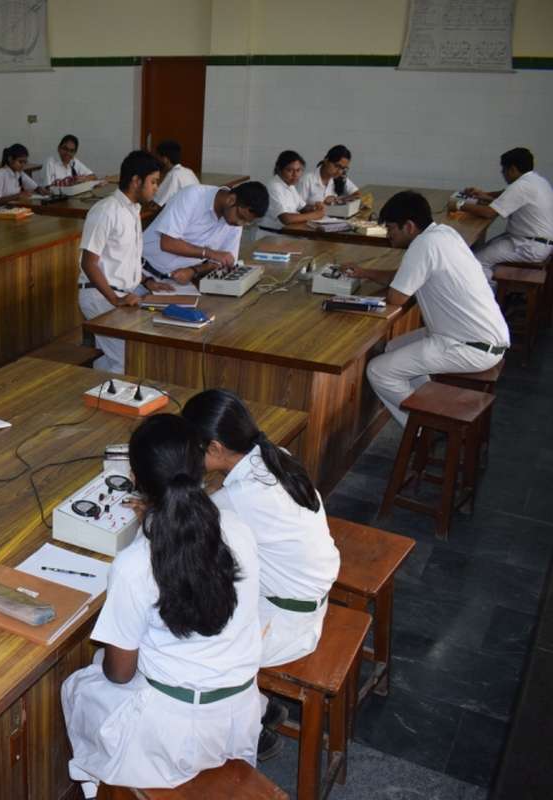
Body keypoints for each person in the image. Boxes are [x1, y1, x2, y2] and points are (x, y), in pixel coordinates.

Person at [61, 414, 261, 796]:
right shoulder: (238, 528)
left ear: (135, 479)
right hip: (240, 715)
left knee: (79, 687)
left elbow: (120, 674)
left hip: (172, 737)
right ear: (201, 465)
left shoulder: (134, 565)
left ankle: (107, 788)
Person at [182, 388, 339, 758]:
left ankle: (253, 728)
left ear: (216, 448)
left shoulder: (239, 499)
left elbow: (188, 530)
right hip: (303, 601)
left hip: (287, 624)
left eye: (193, 449)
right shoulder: (275, 456)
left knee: (190, 651)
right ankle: (264, 706)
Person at [345, 191, 509, 426]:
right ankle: (425, 409)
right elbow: (405, 277)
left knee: (379, 371)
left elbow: (397, 297)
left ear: (409, 226)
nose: (389, 235)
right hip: (481, 337)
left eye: (391, 228)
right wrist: (364, 272)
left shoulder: (423, 245)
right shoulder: (443, 234)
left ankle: (422, 427)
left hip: (469, 346)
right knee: (394, 348)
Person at [77, 150, 162, 373]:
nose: (156, 188)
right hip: (100, 296)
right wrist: (115, 299)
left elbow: (124, 258)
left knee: (119, 356)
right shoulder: (106, 211)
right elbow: (88, 263)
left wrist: (148, 281)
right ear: (136, 181)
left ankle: (94, 384)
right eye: (153, 182)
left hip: (123, 294)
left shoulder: (133, 210)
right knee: (128, 359)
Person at [141, 181, 269, 287]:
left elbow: (224, 261)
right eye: (241, 217)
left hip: (175, 283)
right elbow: (168, 243)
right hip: (142, 273)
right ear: (231, 200)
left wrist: (194, 270)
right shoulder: (192, 196)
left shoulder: (234, 222)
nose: (240, 224)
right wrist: (210, 253)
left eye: (247, 222)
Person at [455, 147, 553, 279]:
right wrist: (482, 194)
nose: (503, 173)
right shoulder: (536, 180)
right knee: (478, 251)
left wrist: (459, 205)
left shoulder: (521, 186)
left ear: (512, 169)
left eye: (504, 170)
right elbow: (505, 194)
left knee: (475, 262)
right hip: (532, 241)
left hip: (528, 246)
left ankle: (488, 290)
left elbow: (489, 213)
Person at [256, 150, 326, 238]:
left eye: (298, 170)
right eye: (289, 170)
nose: (295, 174)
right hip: (271, 236)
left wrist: (315, 207)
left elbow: (303, 208)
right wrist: (315, 215)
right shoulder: (274, 186)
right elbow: (286, 219)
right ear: (279, 170)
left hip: (287, 234)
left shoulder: (290, 185)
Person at [150, 139, 200, 213]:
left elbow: (155, 205)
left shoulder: (173, 174)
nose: (156, 161)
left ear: (165, 159)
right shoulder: (189, 171)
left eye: (158, 157)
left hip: (184, 216)